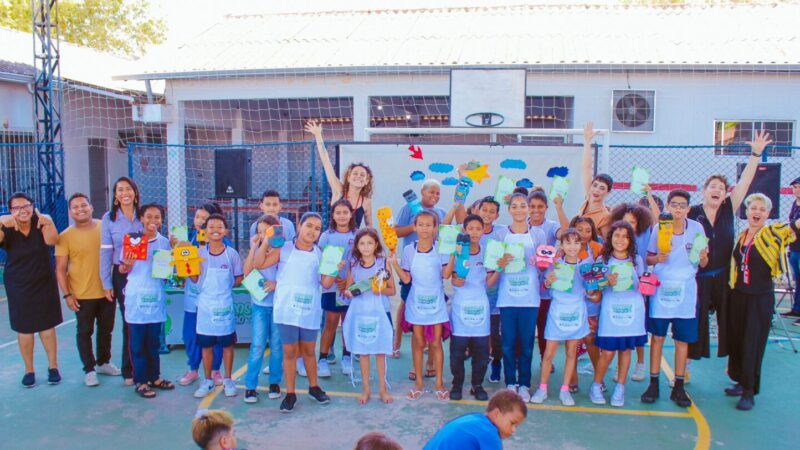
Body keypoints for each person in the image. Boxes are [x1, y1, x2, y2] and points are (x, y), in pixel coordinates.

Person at [687, 131, 771, 361]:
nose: (716, 190)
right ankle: (686, 369)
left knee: (730, 322)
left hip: (724, 277)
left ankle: (731, 365)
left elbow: (745, 181)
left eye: (721, 188)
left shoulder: (728, 209)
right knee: (696, 322)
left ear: (725, 195)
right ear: (703, 191)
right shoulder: (692, 213)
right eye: (712, 186)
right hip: (699, 277)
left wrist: (755, 154)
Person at [253, 212, 338, 412]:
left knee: (309, 351)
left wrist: (333, 269)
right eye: (309, 225)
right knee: (290, 352)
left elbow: (325, 284)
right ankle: (290, 393)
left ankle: (314, 387)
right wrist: (266, 241)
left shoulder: (321, 254)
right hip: (287, 310)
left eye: (317, 228)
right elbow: (259, 264)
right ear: (299, 227)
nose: (312, 231)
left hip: (309, 310)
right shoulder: (284, 249)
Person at [726, 193, 799, 410]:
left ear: (768, 213)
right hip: (739, 294)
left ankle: (750, 390)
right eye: (753, 208)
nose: (756, 212)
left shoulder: (772, 233)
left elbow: (794, 226)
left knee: (752, 343)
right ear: (746, 211)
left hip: (760, 297)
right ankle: (740, 380)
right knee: (738, 339)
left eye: (762, 209)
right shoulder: (742, 235)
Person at [641, 190, 708, 408]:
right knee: (658, 338)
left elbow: (703, 263)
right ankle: (653, 383)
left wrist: (704, 258)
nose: (678, 208)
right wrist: (657, 258)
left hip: (686, 292)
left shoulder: (697, 228)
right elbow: (649, 258)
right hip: (662, 291)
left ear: (688, 209)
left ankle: (679, 386)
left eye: (682, 205)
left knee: (682, 341)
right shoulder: (660, 228)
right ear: (668, 207)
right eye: (674, 204)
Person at [55, 193, 121, 387]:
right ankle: (89, 369)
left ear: (91, 207)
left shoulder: (105, 227)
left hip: (107, 290)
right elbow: (60, 269)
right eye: (75, 207)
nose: (80, 209)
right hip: (82, 294)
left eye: (84, 205)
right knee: (84, 331)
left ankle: (103, 362)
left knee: (106, 330)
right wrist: (67, 295)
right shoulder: (65, 236)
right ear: (70, 212)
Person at [0, 192, 62, 387]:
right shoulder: (6, 226)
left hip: (43, 281)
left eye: (26, 206)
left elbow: (52, 241)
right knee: (24, 329)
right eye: (16, 208)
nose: (22, 211)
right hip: (18, 283)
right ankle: (29, 370)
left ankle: (53, 367)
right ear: (10, 211)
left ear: (32, 206)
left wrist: (49, 221)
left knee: (46, 326)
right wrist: (1, 220)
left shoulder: (40, 223)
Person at [389, 210, 450, 401]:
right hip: (416, 303)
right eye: (421, 225)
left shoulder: (441, 249)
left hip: (436, 303)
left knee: (436, 343)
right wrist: (393, 263)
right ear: (414, 227)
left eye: (429, 225)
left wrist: (455, 254)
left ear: (435, 228)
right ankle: (419, 384)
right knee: (418, 343)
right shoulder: (408, 250)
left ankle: (439, 383)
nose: (424, 229)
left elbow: (446, 275)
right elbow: (406, 278)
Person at [118, 203, 175, 398]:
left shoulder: (165, 242)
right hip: (136, 298)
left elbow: (166, 273)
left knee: (153, 342)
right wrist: (127, 264)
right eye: (149, 216)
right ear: (141, 218)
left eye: (157, 217)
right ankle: (141, 381)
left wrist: (176, 255)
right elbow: (122, 270)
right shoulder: (132, 240)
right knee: (137, 344)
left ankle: (155, 377)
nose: (153, 221)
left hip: (155, 297)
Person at [496, 193, 546, 403]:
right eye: (514, 206)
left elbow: (545, 267)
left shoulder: (538, 234)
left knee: (526, 344)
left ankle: (524, 384)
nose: (519, 210)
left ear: (528, 209)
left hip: (530, 299)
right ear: (509, 210)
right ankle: (510, 383)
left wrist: (540, 263)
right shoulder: (500, 235)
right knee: (507, 343)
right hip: (507, 298)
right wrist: (501, 262)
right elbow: (494, 264)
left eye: (523, 206)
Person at [445, 215, 501, 402]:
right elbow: (451, 278)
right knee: (457, 352)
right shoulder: (457, 252)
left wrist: (499, 268)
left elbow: (490, 284)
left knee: (481, 352)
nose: (475, 232)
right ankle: (457, 384)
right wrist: (456, 279)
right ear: (464, 231)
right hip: (460, 308)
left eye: (479, 228)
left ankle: (477, 385)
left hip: (480, 309)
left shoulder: (487, 252)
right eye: (471, 228)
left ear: (483, 230)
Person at [590, 221, 647, 407]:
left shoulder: (636, 260)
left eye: (625, 236)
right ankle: (596, 386)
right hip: (610, 313)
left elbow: (643, 285)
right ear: (610, 238)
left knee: (625, 350)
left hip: (632, 312)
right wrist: (605, 282)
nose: (620, 240)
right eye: (617, 235)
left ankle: (620, 388)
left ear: (630, 240)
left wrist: (649, 284)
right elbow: (595, 292)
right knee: (607, 353)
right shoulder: (602, 261)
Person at [533, 228, 591, 406]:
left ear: (581, 245)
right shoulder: (554, 264)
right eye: (568, 242)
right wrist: (547, 281)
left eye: (576, 242)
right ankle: (542, 388)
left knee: (571, 352)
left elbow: (592, 292)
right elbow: (544, 289)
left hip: (576, 312)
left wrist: (593, 285)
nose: (572, 246)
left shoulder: (586, 266)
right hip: (557, 312)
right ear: (562, 245)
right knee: (549, 354)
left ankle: (565, 390)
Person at [392, 179, 447, 363]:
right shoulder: (408, 208)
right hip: (410, 268)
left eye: (438, 193)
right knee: (405, 304)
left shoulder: (440, 213)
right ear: (422, 192)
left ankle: (430, 358)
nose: (435, 196)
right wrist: (417, 224)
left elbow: (444, 237)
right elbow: (396, 232)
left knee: (432, 315)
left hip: (431, 273)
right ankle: (396, 344)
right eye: (431, 192)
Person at [192, 214, 244, 399]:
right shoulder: (198, 255)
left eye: (219, 227)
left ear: (226, 231)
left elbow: (239, 277)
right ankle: (207, 380)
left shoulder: (232, 254)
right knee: (206, 346)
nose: (215, 230)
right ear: (204, 231)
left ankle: (228, 379)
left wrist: (229, 286)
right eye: (211, 226)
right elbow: (195, 278)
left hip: (224, 305)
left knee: (227, 345)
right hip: (205, 306)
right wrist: (187, 270)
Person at [342, 228, 396, 404]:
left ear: (376, 245)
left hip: (380, 313)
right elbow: (348, 290)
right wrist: (349, 292)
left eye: (370, 243)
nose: (366, 247)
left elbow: (392, 290)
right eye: (362, 243)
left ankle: (382, 389)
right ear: (357, 246)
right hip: (360, 314)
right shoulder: (354, 265)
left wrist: (378, 289)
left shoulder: (383, 263)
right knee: (364, 353)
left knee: (380, 352)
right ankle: (366, 389)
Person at [177, 202, 227, 386]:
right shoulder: (187, 239)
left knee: (214, 335)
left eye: (204, 219)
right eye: (197, 217)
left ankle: (215, 370)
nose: (199, 221)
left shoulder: (222, 243)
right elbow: (181, 267)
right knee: (190, 334)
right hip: (192, 296)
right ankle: (193, 369)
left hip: (213, 299)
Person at [100, 176, 143, 384]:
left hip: (144, 274)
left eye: (128, 189)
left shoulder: (143, 216)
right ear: (115, 196)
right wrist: (106, 282)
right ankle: (129, 370)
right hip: (122, 275)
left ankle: (146, 367)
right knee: (129, 322)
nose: (124, 193)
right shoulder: (109, 219)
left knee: (146, 322)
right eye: (120, 190)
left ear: (135, 193)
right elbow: (105, 253)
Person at [609, 202, 656, 382]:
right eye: (625, 221)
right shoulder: (617, 237)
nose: (628, 225)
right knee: (616, 326)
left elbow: (648, 260)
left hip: (636, 286)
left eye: (633, 222)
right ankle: (617, 367)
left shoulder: (645, 236)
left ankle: (641, 363)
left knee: (638, 326)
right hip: (616, 290)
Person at [243, 215, 283, 403]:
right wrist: (253, 247)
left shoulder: (281, 251)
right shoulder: (257, 250)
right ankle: (250, 386)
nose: (262, 235)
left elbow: (287, 276)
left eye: (266, 231)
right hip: (260, 305)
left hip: (277, 305)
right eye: (259, 231)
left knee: (276, 346)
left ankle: (274, 382)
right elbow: (247, 271)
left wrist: (277, 283)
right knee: (258, 345)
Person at [306, 120, 374, 228]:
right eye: (355, 173)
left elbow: (370, 227)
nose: (358, 176)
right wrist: (318, 135)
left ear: (366, 181)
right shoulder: (339, 190)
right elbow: (325, 160)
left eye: (362, 175)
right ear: (348, 177)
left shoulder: (366, 201)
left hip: (353, 241)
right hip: (334, 240)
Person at [318, 199, 358, 378]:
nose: (342, 216)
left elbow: (360, 261)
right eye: (338, 213)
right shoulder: (327, 235)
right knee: (331, 323)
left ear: (351, 214)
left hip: (350, 288)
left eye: (345, 212)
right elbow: (321, 262)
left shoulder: (358, 235)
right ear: (333, 215)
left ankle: (347, 358)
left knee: (347, 324)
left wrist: (347, 283)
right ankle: (322, 359)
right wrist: (334, 280)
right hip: (331, 288)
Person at [423, 390, 527, 449]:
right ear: (496, 414)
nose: (514, 430)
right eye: (512, 423)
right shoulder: (489, 433)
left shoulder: (476, 419)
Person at [476, 197, 508, 384]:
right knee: (480, 333)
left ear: (497, 215)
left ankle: (496, 362)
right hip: (476, 294)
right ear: (478, 210)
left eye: (491, 211)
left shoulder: (501, 234)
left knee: (495, 333)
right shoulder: (471, 232)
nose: (487, 214)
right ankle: (480, 365)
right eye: (484, 210)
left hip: (496, 292)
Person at [578, 122, 613, 237]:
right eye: (595, 185)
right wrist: (587, 142)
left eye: (602, 188)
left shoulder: (605, 216)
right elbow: (586, 168)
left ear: (607, 193)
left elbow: (606, 244)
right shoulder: (587, 199)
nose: (596, 190)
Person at [783, 176, 800, 319]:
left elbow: (794, 225)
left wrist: (791, 227)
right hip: (794, 248)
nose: (797, 190)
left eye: (799, 187)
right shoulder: (795, 203)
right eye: (795, 187)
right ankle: (797, 308)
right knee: (797, 279)